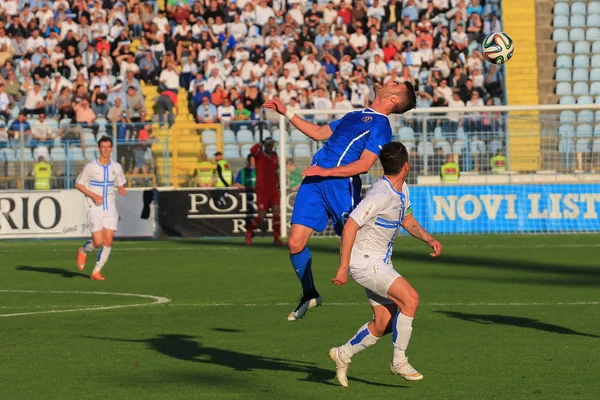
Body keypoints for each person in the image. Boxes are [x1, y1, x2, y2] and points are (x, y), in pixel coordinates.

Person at [262, 81, 417, 321]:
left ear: (394, 100)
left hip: (341, 186)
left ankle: (386, 302)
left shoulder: (381, 126)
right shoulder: (356, 114)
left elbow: (364, 165)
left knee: (356, 246)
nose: (388, 81)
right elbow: (318, 133)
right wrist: (286, 112)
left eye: (394, 83)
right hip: (315, 181)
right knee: (294, 243)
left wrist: (325, 172)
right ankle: (310, 294)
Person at [328, 141, 442, 386]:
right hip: (365, 263)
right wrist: (343, 266)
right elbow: (351, 225)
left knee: (383, 323)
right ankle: (399, 361)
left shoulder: (402, 188)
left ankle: (343, 353)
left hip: (380, 262)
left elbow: (407, 219)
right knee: (410, 299)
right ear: (406, 166)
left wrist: (428, 238)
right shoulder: (380, 194)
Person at [75, 136, 127, 281]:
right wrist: (93, 195)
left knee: (108, 241)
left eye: (108, 147)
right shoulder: (91, 167)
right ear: (99, 148)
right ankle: (83, 250)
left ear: (112, 148)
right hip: (94, 207)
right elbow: (78, 184)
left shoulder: (116, 167)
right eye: (103, 147)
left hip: (110, 207)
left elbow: (120, 182)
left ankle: (96, 271)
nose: (106, 149)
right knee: (97, 242)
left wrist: (121, 188)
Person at [246, 138, 282, 246]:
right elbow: (252, 150)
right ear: (265, 146)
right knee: (261, 215)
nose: (271, 147)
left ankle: (276, 238)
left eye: (272, 145)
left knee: (276, 210)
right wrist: (259, 144)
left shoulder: (275, 156)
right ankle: (249, 233)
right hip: (262, 190)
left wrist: (278, 183)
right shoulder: (259, 155)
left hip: (273, 189)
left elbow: (275, 170)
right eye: (269, 145)